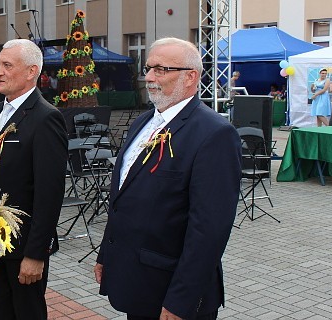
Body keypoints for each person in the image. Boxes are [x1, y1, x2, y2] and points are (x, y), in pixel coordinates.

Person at [94, 37, 241, 320]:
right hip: (136, 281)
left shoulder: (214, 134)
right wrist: (106, 255)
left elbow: (209, 230)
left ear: (190, 77)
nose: (148, 77)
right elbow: (122, 198)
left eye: (161, 69)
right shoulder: (143, 122)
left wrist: (181, 300)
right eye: (148, 68)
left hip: (172, 290)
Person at [0, 39, 68, 319]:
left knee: (27, 313)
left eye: (7, 65)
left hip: (23, 246)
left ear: (31, 71)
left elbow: (50, 193)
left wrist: (36, 253)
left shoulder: (46, 118)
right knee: (2, 310)